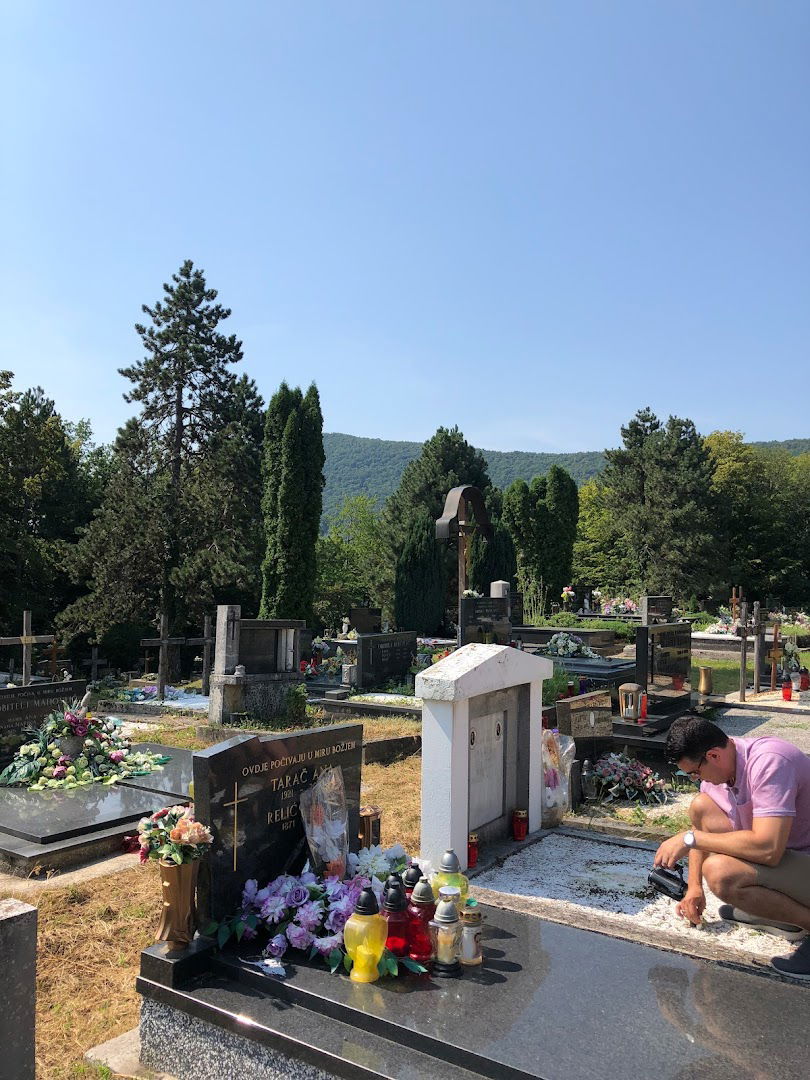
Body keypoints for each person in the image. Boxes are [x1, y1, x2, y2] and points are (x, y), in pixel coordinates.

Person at [654, 714, 810, 979]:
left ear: (713, 756)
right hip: (793, 857)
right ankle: (784, 916)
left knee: (721, 873)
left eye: (695, 772)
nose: (696, 779)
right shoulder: (724, 769)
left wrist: (689, 839)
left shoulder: (771, 762)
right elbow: (701, 825)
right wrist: (693, 888)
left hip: (798, 854)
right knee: (702, 806)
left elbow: (769, 850)